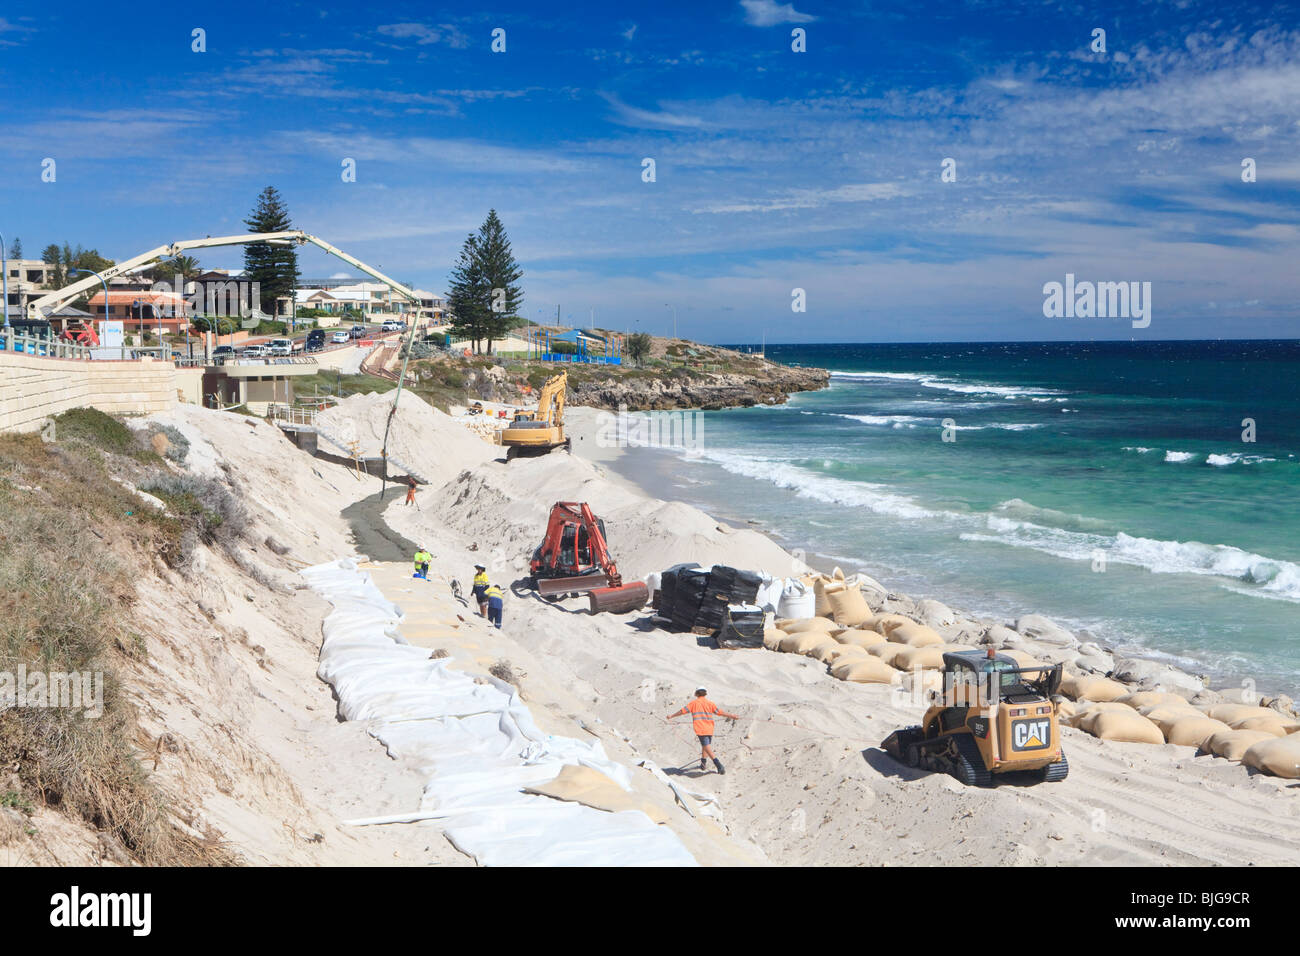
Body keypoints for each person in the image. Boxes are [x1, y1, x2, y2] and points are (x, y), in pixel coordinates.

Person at [667, 687, 739, 774]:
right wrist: (732, 716)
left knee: (707, 747)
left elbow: (682, 711)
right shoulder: (710, 703)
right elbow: (720, 712)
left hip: (701, 728)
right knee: (705, 746)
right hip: (710, 728)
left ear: (696, 693)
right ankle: (703, 764)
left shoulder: (694, 703)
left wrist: (672, 716)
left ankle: (719, 765)